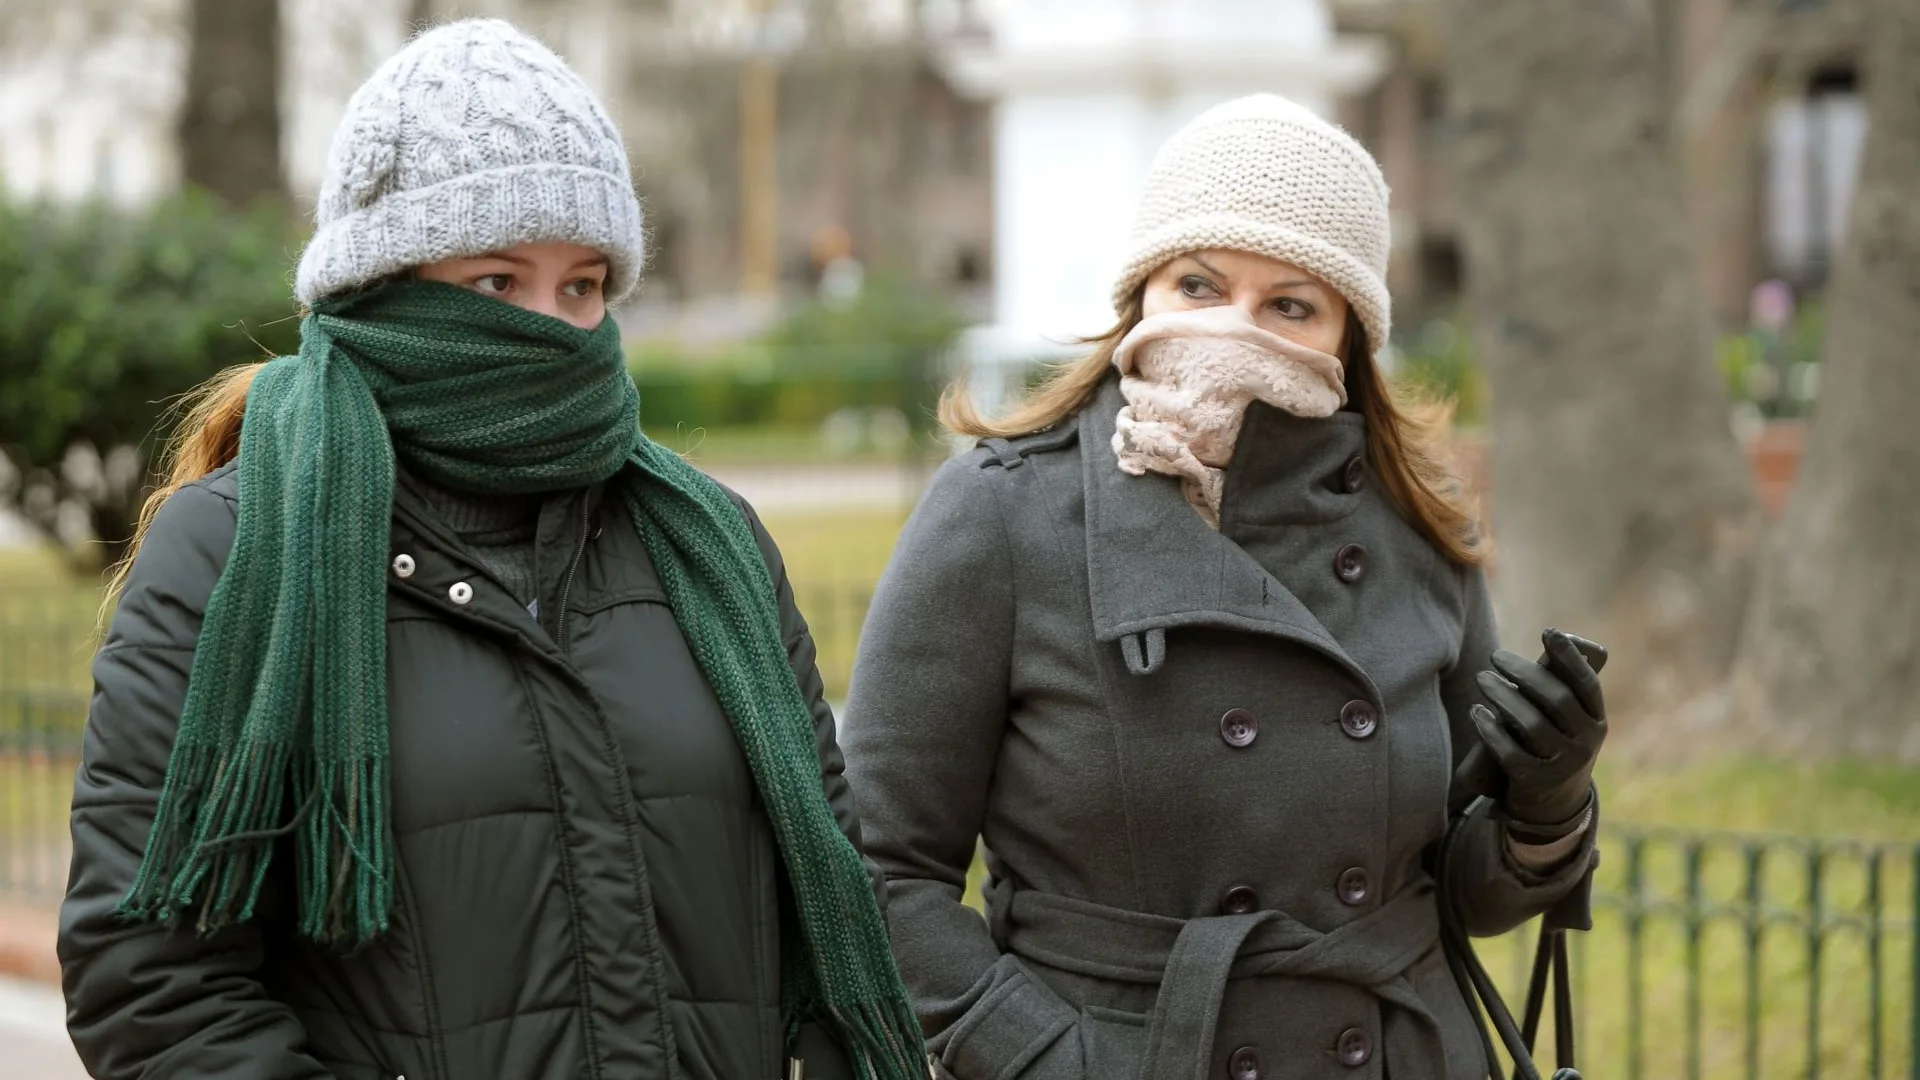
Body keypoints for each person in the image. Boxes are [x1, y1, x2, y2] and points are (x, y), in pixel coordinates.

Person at [57, 20, 923, 1080]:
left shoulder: (713, 546)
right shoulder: (232, 550)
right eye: (497, 284)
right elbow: (152, 988)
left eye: (584, 285)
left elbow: (833, 904)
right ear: (380, 288)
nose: (554, 333)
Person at [839, 94, 1608, 1079]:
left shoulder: (1418, 526)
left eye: (1291, 305)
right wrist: (1046, 1058)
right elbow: (875, 870)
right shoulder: (1002, 515)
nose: (1236, 330)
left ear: (1347, 339)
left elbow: (1461, 898)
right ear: (1143, 294)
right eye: (1199, 283)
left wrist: (1547, 806)